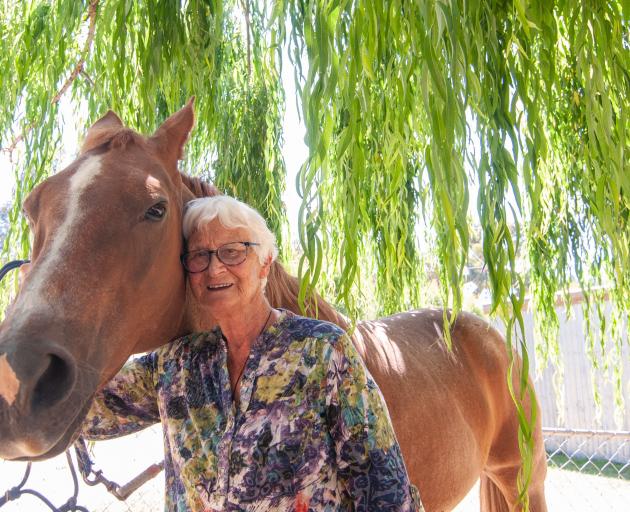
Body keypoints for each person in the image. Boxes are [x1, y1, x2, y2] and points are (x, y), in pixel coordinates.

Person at [83, 195, 422, 511]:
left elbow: (384, 486)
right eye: (200, 256)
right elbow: (81, 410)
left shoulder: (321, 352)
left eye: (233, 251)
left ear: (264, 264)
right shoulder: (176, 365)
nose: (214, 269)